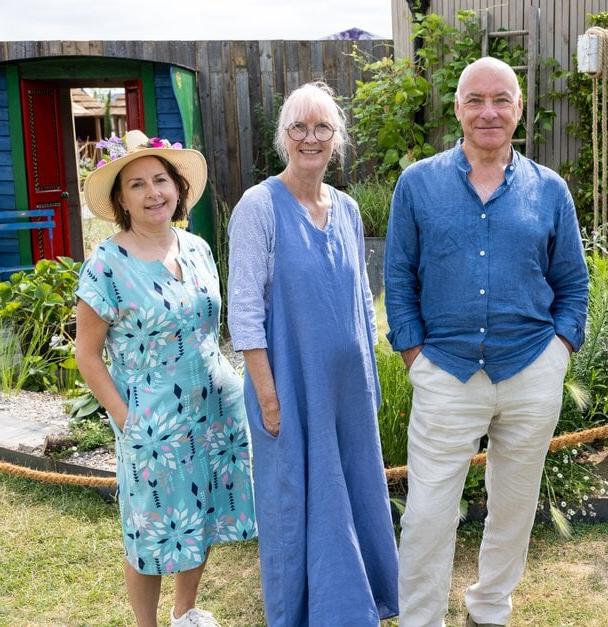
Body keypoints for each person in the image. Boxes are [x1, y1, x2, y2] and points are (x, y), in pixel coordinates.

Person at [385, 56, 589, 627]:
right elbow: (398, 278)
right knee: (427, 511)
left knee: (514, 506)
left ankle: (490, 609)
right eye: (475, 100)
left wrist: (559, 353)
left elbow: (573, 282)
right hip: (444, 371)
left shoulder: (549, 190)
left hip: (530, 370)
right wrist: (414, 355)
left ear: (519, 109)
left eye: (501, 99)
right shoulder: (418, 184)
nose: (489, 111)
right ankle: (420, 619)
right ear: (457, 109)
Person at [227, 81, 398, 625]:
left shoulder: (347, 209)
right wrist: (268, 396)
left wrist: (368, 381)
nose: (310, 137)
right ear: (283, 137)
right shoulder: (259, 206)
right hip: (290, 390)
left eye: (322, 127)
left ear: (336, 139)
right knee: (294, 501)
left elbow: (360, 305)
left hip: (347, 392)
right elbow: (245, 313)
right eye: (299, 127)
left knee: (352, 489)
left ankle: (360, 602)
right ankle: (303, 611)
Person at [75, 130, 256, 627]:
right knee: (150, 529)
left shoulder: (198, 248)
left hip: (216, 408)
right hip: (151, 422)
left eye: (161, 180)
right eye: (137, 184)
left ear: (178, 188)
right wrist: (126, 418)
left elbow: (211, 327)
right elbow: (87, 355)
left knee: (199, 517)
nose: (153, 192)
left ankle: (185, 612)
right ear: (121, 199)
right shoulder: (107, 265)